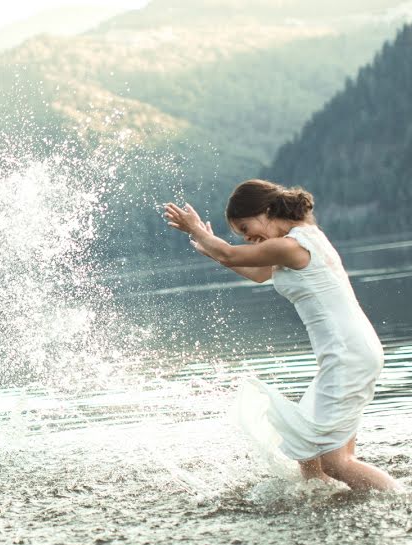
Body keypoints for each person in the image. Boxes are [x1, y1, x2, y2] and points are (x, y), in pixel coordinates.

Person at [164, 179, 398, 491]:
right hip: (352, 352)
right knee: (306, 447)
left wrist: (197, 230)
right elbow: (257, 272)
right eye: (243, 236)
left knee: (335, 462)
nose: (249, 238)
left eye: (247, 228)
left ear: (268, 210)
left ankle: (406, 501)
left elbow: (234, 255)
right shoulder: (302, 239)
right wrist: (212, 248)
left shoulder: (292, 246)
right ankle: (323, 499)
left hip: (347, 355)